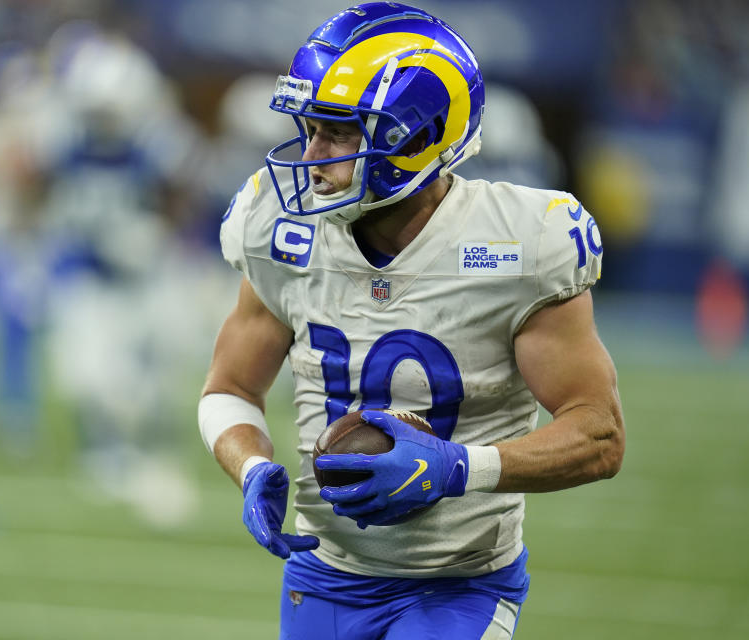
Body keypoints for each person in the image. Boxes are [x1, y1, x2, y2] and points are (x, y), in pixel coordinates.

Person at [198, 3, 625, 639]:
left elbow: (598, 435)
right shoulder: (280, 227)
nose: (312, 157)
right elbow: (229, 389)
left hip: (460, 584)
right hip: (322, 575)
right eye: (310, 128)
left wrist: (457, 467)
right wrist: (252, 467)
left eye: (339, 132)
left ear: (418, 136)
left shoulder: (522, 243)